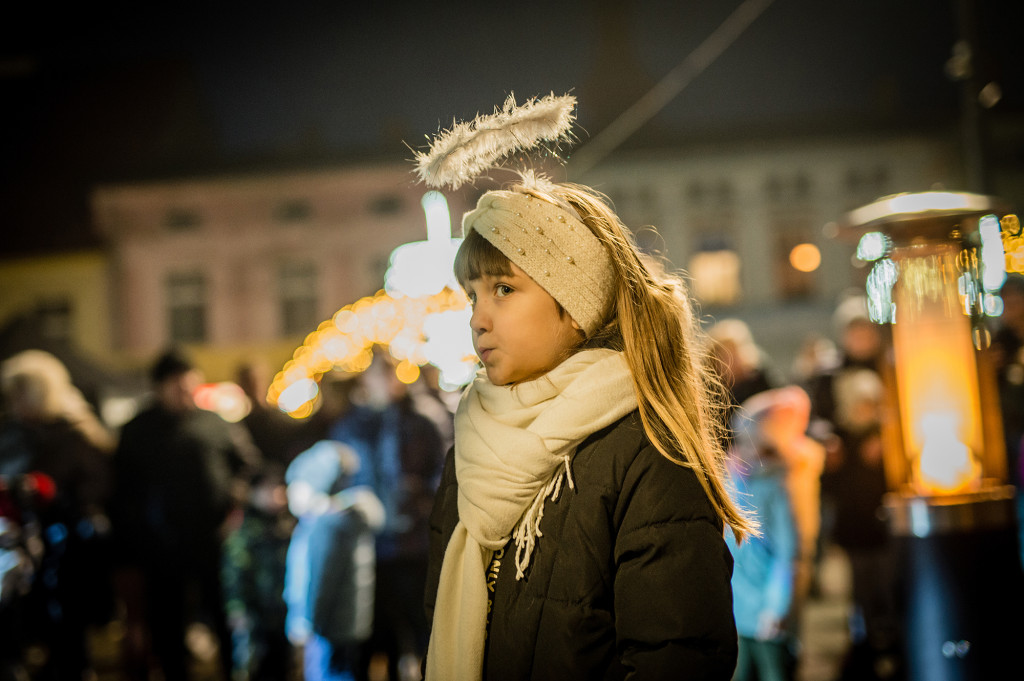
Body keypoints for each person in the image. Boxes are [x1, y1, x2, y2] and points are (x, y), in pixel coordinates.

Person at [417, 93, 755, 681]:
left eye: (503, 288)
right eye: (472, 294)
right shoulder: (470, 444)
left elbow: (676, 659)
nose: (478, 318)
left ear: (573, 307)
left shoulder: (648, 451)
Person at [110, 349, 259, 681]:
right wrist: (135, 538)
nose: (186, 394)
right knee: (167, 622)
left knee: (223, 615)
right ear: (160, 387)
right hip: (161, 546)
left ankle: (232, 671)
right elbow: (123, 490)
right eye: (178, 387)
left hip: (214, 540)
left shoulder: (215, 423)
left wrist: (236, 501)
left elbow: (247, 466)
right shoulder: (138, 430)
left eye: (191, 386)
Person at [0, 349, 115, 680]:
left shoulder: (75, 434)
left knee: (69, 634)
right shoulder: (18, 434)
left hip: (68, 553)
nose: (13, 402)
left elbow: (96, 489)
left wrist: (46, 493)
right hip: (24, 553)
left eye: (18, 393)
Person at [806, 296, 901, 679]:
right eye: (853, 331)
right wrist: (829, 439)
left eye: (865, 330)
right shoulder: (830, 374)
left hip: (884, 480)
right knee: (858, 563)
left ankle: (892, 628)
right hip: (849, 486)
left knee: (889, 561)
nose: (860, 337)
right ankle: (865, 631)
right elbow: (817, 418)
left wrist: (885, 435)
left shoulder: (890, 367)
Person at [340, 355, 446, 681]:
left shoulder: (420, 422)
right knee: (378, 635)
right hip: (370, 546)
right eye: (375, 378)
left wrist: (422, 495)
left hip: (412, 543)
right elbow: (342, 475)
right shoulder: (352, 426)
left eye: (387, 376)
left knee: (422, 627)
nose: (384, 384)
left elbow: (443, 473)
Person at [283, 439, 384, 681]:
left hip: (328, 628)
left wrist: (307, 622)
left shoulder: (327, 524)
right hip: (347, 624)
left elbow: (320, 577)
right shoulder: (348, 517)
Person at [726, 389, 801, 681]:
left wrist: (775, 607)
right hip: (736, 606)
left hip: (763, 608)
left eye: (747, 444)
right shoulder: (731, 481)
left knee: (773, 671)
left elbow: (787, 553)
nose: (738, 451)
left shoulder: (776, 488)